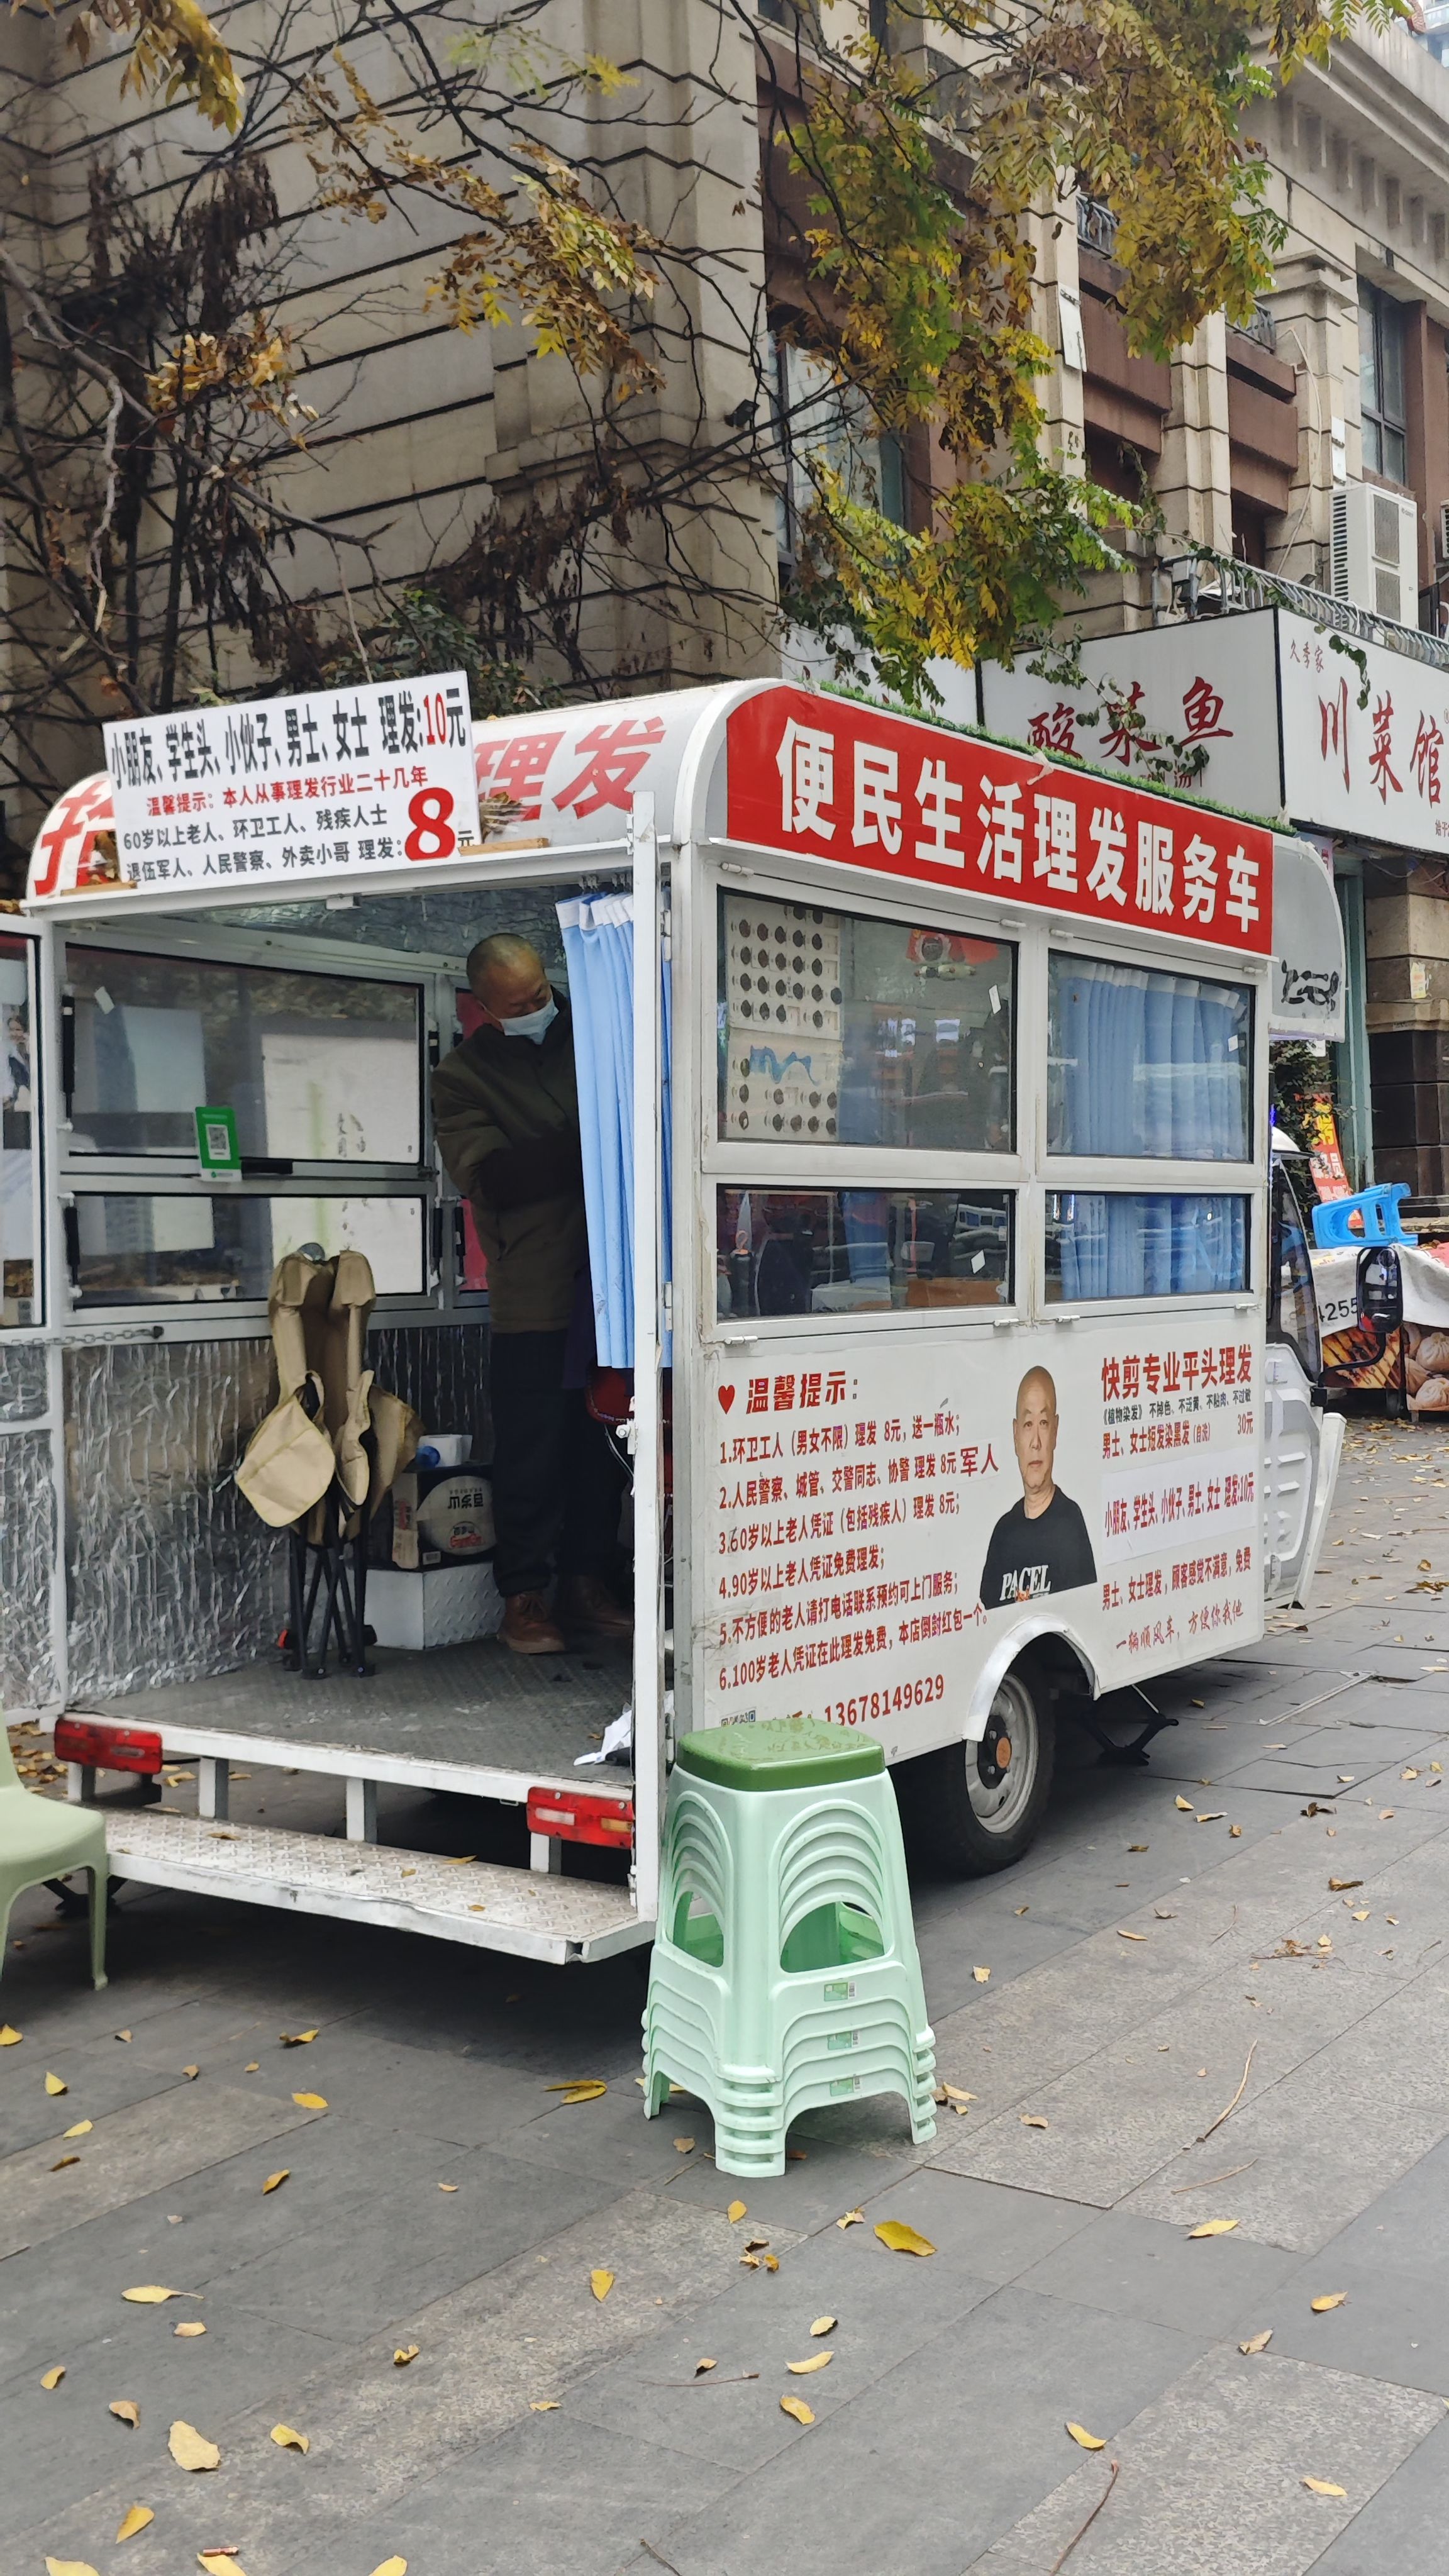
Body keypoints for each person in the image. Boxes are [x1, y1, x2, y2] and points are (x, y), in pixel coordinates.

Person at [431, 933, 631, 1656]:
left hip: (613, 1285)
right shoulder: (462, 1077)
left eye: (540, 995)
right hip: (535, 1291)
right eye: (516, 1006)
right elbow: (491, 1178)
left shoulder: (604, 1035)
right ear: (485, 1009)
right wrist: (600, 1141)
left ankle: (585, 1583)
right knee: (530, 1449)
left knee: (603, 1443)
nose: (535, 1010)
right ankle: (523, 1595)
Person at [977, 1363, 1096, 1607]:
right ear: (1015, 1435)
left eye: (1043, 1423)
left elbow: (1082, 1615)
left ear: (1055, 1431)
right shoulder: (1003, 1533)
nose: (1036, 1442)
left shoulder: (1069, 1524)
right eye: (1028, 1425)